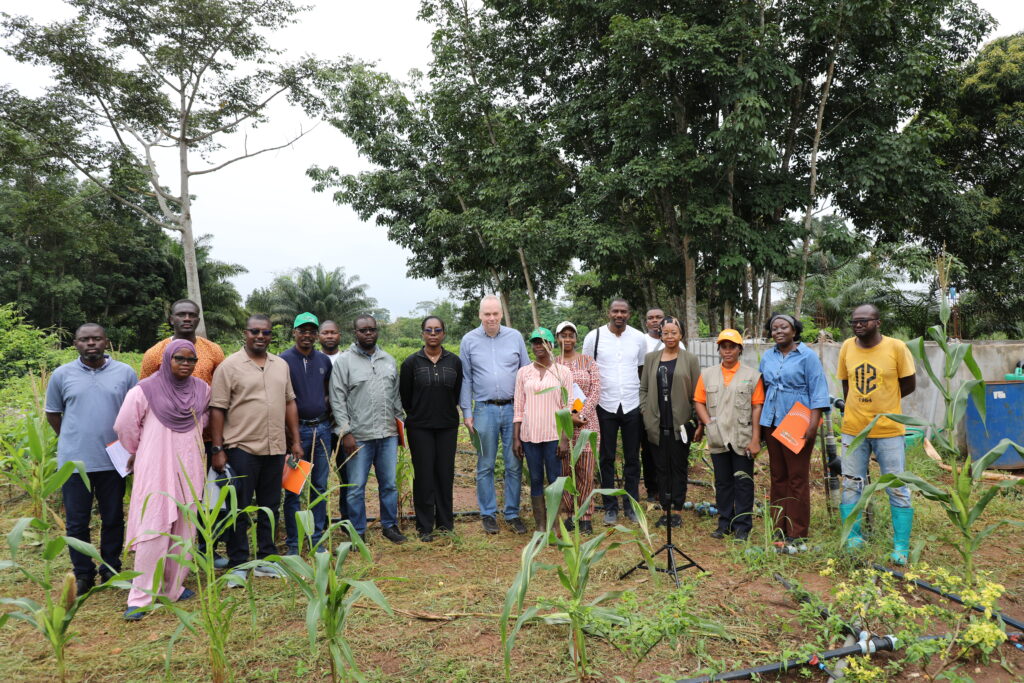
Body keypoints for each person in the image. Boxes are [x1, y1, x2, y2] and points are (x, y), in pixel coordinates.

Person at [115, 340, 210, 620]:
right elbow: (124, 426)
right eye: (180, 358)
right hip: (156, 466)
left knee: (185, 527)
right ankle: (141, 596)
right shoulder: (144, 390)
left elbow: (203, 422)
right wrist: (139, 451)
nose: (186, 364)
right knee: (153, 526)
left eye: (191, 360)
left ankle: (172, 588)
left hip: (190, 466)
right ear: (167, 359)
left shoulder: (202, 389)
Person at [45, 323, 138, 596]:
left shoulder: (125, 373)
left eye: (96, 338)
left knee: (113, 518)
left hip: (114, 461)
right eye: (84, 339)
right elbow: (53, 413)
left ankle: (110, 568)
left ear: (106, 341)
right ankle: (83, 574)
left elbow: (135, 413)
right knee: (76, 522)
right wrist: (71, 438)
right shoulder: (61, 375)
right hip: (75, 464)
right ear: (75, 343)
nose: (91, 343)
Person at [209, 315, 303, 581]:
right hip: (242, 447)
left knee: (270, 507)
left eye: (266, 332)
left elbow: (289, 402)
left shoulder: (280, 365)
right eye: (255, 331)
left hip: (275, 448)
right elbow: (217, 408)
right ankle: (239, 563)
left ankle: (266, 559)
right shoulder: (229, 366)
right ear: (245, 333)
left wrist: (295, 440)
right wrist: (217, 449)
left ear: (271, 335)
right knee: (238, 509)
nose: (260, 336)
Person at [837, 304, 917, 563]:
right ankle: (853, 538)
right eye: (854, 321)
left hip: (888, 429)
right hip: (853, 430)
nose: (858, 325)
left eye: (864, 320)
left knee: (896, 485)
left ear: (878, 322)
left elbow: (909, 384)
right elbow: (846, 384)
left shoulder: (896, 347)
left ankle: (901, 547)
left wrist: (886, 402)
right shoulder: (847, 347)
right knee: (851, 483)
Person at [330, 314, 407, 544]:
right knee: (356, 487)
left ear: (377, 331)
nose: (368, 333)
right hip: (358, 436)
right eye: (363, 330)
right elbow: (337, 399)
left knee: (389, 485)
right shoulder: (344, 362)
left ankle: (389, 526)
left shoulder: (388, 360)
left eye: (371, 329)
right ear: (355, 333)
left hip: (387, 434)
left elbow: (395, 397)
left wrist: (400, 426)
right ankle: (357, 530)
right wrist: (345, 432)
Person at [459, 295, 531, 535]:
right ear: (480, 315)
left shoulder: (515, 337)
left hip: (513, 409)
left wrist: (526, 410)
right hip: (483, 408)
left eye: (495, 313)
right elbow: (466, 378)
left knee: (514, 463)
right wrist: (467, 412)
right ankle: (488, 513)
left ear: (501, 314)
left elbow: (526, 372)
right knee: (485, 464)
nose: (491, 318)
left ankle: (512, 513)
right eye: (487, 314)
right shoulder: (469, 340)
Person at [758, 313, 830, 544]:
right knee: (778, 476)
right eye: (774, 328)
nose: (778, 331)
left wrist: (812, 423)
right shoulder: (768, 356)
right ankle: (778, 526)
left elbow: (818, 390)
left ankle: (797, 531)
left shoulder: (807, 356)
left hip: (797, 422)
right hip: (772, 421)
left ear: (794, 330)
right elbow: (762, 388)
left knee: (797, 477)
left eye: (784, 327)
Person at [693, 329, 765, 541]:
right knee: (723, 482)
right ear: (719, 350)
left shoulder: (752, 376)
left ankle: (742, 527)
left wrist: (755, 439)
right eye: (724, 347)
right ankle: (724, 523)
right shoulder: (707, 374)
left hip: (742, 436)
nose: (728, 351)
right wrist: (708, 423)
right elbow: (699, 401)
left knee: (743, 482)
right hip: (718, 436)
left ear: (739, 349)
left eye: (732, 347)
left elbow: (757, 407)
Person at [581, 298, 647, 525]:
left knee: (632, 458)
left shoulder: (638, 338)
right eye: (615, 311)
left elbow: (641, 369)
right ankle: (610, 507)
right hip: (604, 404)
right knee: (606, 458)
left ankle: (631, 505)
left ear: (629, 314)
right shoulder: (594, 337)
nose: (619, 315)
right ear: (608, 312)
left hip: (631, 403)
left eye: (623, 312)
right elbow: (587, 370)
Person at [399, 316, 464, 542]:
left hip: (447, 426)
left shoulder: (454, 362)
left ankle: (445, 523)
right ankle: (424, 526)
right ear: (423, 334)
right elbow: (405, 397)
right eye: (429, 330)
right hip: (420, 428)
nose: (433, 334)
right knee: (424, 476)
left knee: (445, 475)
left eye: (437, 330)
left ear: (444, 333)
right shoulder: (411, 363)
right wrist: (419, 413)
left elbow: (456, 392)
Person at [280, 312, 334, 554]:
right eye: (303, 330)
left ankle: (316, 537)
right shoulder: (283, 361)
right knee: (294, 489)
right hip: (297, 432)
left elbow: (327, 391)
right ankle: (294, 541)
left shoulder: (323, 360)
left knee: (320, 486)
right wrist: (292, 438)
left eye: (312, 331)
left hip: (322, 429)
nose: (307, 335)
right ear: (294, 332)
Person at [639, 317, 701, 527]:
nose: (670, 336)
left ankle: (677, 509)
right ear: (660, 335)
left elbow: (697, 392)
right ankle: (665, 507)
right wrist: (645, 411)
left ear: (681, 334)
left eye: (674, 332)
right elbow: (644, 389)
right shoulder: (651, 358)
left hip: (680, 424)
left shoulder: (690, 359)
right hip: (656, 422)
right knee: (661, 467)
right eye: (665, 333)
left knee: (678, 466)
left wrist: (696, 421)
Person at [513, 328, 572, 531]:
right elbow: (518, 406)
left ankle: (555, 525)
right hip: (530, 435)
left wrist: (564, 439)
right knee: (536, 478)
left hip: (553, 435)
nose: (538, 346)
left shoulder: (562, 372)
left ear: (551, 345)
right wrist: (516, 438)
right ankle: (540, 525)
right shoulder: (523, 372)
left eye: (543, 342)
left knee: (554, 479)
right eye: (535, 342)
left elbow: (567, 407)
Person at [554, 321, 601, 534]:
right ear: (557, 338)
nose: (567, 339)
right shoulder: (554, 364)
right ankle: (570, 515)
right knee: (565, 470)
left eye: (571, 335)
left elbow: (595, 391)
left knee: (586, 470)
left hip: (587, 424)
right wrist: (568, 416)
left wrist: (581, 414)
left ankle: (586, 516)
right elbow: (552, 395)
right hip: (562, 426)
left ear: (576, 338)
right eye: (563, 335)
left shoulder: (588, 361)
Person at [140, 299, 225, 384]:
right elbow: (145, 387)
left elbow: (221, 384)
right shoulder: (154, 353)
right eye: (181, 315)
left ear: (198, 321)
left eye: (192, 315)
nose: (187, 319)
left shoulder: (213, 350)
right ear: (171, 320)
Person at [318, 319, 349, 521]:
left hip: (344, 428)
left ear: (340, 335)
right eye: (325, 332)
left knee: (347, 476)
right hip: (319, 427)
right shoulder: (313, 359)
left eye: (333, 332)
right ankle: (318, 522)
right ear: (318, 336)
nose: (330, 336)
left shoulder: (348, 359)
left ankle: (347, 519)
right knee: (318, 478)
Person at [641, 307, 666, 502]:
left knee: (667, 447)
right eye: (651, 318)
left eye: (659, 317)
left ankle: (667, 487)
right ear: (646, 321)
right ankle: (652, 489)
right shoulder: (641, 342)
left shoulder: (676, 342)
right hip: (647, 402)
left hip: (668, 404)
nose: (655, 321)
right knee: (648, 448)